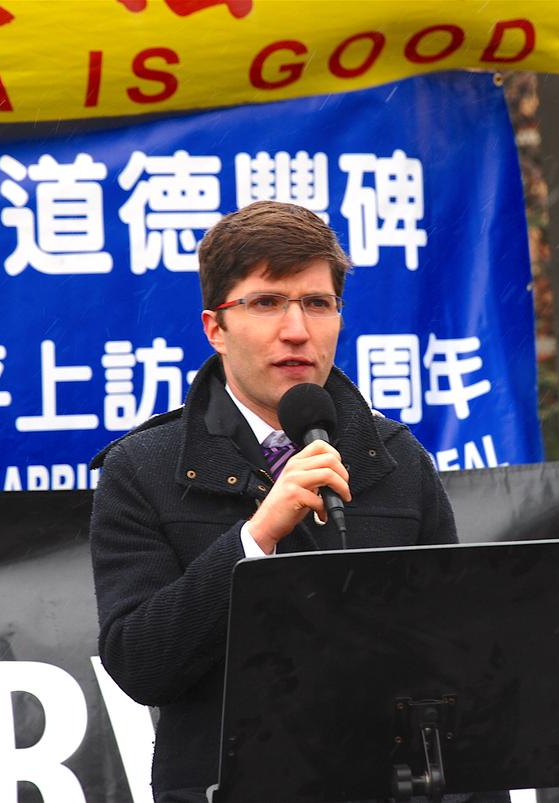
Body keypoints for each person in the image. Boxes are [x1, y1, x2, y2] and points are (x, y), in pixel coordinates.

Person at [88, 201, 471, 801]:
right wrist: (254, 539)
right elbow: (142, 664)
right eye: (267, 302)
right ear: (215, 327)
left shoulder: (397, 462)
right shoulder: (142, 470)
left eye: (317, 304)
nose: (297, 330)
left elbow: (456, 668)